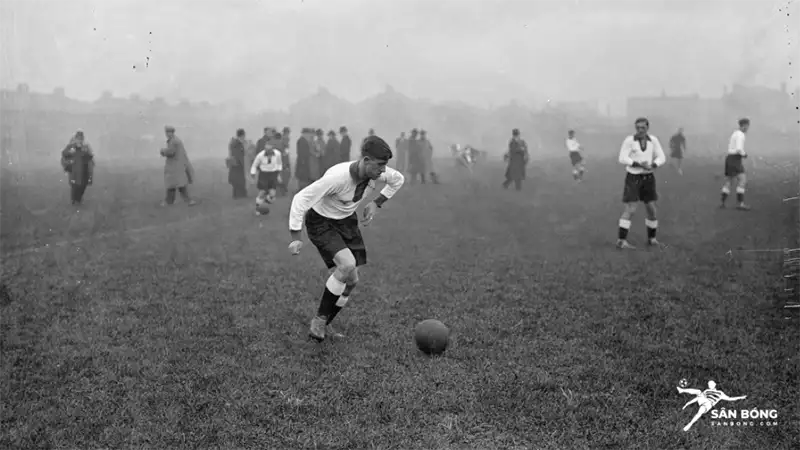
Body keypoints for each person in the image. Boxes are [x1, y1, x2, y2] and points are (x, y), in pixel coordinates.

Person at [288, 136, 405, 342]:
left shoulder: (377, 173)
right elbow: (301, 198)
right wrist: (296, 237)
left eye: (385, 166)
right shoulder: (337, 178)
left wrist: (377, 203)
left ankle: (325, 324)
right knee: (347, 265)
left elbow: (398, 180)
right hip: (321, 222)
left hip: (346, 222)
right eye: (380, 165)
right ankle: (319, 319)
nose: (383, 171)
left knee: (352, 281)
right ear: (366, 160)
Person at [616, 117, 666, 249]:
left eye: (643, 128)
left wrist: (653, 164)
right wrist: (638, 164)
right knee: (631, 208)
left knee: (651, 209)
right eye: (638, 128)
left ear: (647, 128)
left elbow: (662, 157)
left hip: (648, 178)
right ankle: (621, 241)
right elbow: (622, 158)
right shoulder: (629, 140)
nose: (640, 130)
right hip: (633, 177)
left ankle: (652, 239)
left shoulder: (653, 140)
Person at [160, 126, 197, 207]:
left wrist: (163, 151)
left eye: (168, 132)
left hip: (175, 167)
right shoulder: (175, 140)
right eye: (166, 132)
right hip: (177, 166)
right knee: (179, 184)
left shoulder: (174, 141)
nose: (167, 134)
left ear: (172, 132)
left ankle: (169, 202)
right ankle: (188, 201)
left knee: (173, 184)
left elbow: (171, 152)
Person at [720, 118, 751, 210]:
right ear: (744, 125)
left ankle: (723, 202)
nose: (748, 128)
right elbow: (738, 149)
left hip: (729, 158)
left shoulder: (735, 133)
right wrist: (744, 154)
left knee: (729, 181)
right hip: (735, 159)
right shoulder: (741, 135)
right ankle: (740, 203)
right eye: (747, 126)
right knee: (742, 180)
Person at [61, 130, 94, 205]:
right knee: (74, 186)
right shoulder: (71, 147)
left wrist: (86, 152)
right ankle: (74, 200)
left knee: (83, 186)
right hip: (74, 171)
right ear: (75, 139)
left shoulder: (85, 147)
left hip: (84, 171)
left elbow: (90, 156)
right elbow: (64, 153)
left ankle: (78, 199)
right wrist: (70, 152)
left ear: (82, 139)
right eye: (78, 138)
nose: (79, 140)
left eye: (81, 138)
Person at [250, 141, 283, 214]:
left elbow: (279, 164)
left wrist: (278, 175)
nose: (268, 152)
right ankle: (257, 208)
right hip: (263, 175)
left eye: (270, 150)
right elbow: (254, 165)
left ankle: (264, 204)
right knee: (262, 192)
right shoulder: (260, 155)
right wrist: (253, 175)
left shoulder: (277, 154)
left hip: (273, 174)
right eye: (267, 150)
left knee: (272, 195)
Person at [227, 129, 249, 199]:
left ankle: (238, 195)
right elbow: (239, 155)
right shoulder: (237, 144)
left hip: (235, 164)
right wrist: (244, 163)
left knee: (237, 181)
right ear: (242, 135)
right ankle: (240, 195)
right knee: (239, 180)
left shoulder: (234, 143)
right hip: (238, 164)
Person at [279, 127, 292, 196]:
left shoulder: (284, 140)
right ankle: (283, 189)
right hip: (284, 160)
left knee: (286, 175)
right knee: (285, 175)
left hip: (284, 160)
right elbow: (284, 152)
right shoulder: (284, 140)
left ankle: (283, 189)